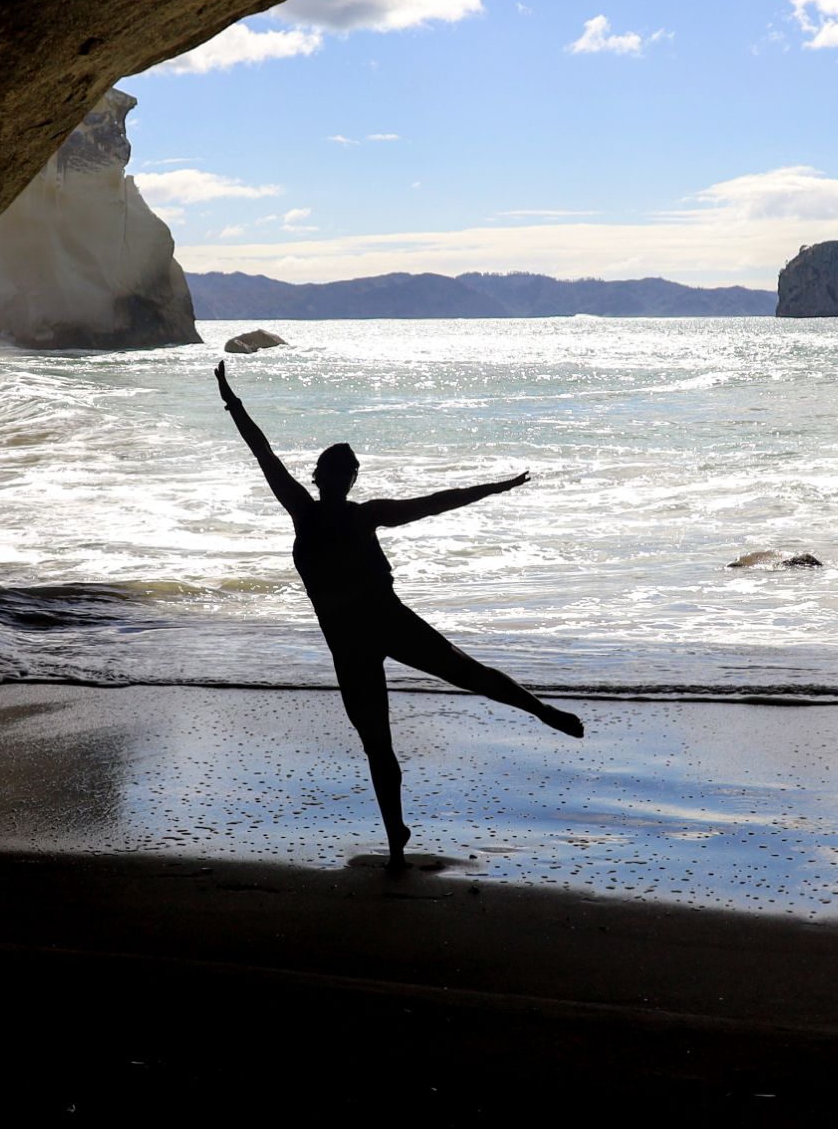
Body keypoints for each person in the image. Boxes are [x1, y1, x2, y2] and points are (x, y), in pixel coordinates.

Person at [217, 361, 583, 866]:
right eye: (339, 471)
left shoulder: (344, 513)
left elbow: (434, 503)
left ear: (345, 478)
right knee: (382, 742)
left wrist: (493, 489)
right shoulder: (313, 510)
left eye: (349, 472)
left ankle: (541, 711)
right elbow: (262, 451)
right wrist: (232, 403)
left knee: (453, 686)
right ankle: (396, 844)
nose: (344, 477)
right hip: (359, 639)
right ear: (323, 476)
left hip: (377, 626)